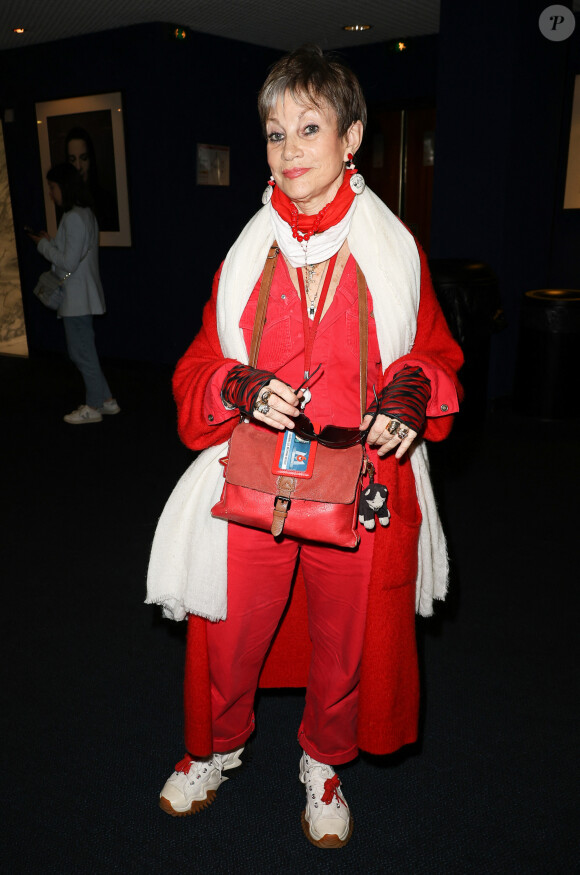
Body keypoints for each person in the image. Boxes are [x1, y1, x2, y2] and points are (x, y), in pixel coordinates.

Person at [146, 45, 463, 848]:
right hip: (253, 476)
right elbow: (197, 368)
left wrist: (410, 391)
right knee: (230, 631)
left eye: (309, 128)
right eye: (274, 132)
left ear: (351, 138)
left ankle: (322, 761)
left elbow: (434, 355)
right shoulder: (244, 255)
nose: (287, 151)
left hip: (358, 481)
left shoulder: (396, 254)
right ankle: (215, 748)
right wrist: (239, 387)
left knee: (343, 641)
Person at [28, 163, 120, 424]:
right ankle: (106, 400)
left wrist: (43, 245)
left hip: (77, 298)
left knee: (81, 352)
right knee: (84, 351)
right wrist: (51, 241)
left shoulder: (74, 217)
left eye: (53, 187)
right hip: (81, 297)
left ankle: (93, 406)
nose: (51, 192)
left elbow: (67, 262)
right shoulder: (83, 214)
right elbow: (74, 254)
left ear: (64, 187)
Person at [65, 126, 119, 232]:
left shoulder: (107, 202)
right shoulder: (64, 204)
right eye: (72, 160)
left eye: (83, 158)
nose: (78, 166)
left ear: (91, 160)